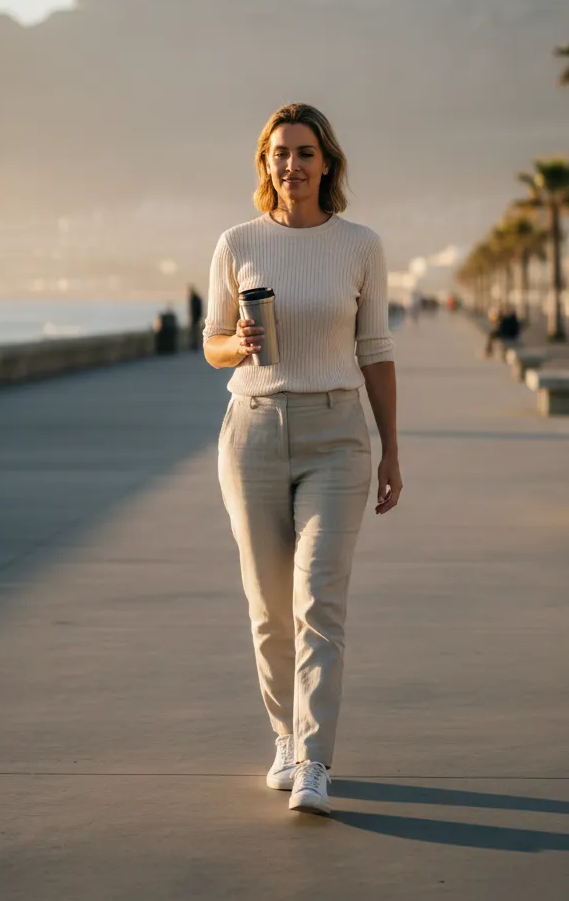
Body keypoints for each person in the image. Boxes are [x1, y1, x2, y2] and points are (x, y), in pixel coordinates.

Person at [203, 102, 402, 817]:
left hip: (337, 432)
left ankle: (316, 760)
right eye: (280, 152)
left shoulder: (360, 245)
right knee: (267, 607)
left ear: (328, 163)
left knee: (320, 600)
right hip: (252, 429)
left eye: (306, 152)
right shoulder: (237, 242)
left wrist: (391, 452)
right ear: (266, 163)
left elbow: (376, 351)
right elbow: (211, 342)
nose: (293, 164)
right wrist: (241, 347)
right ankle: (285, 740)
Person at [187, 284, 204, 349]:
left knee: (194, 332)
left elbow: (193, 309)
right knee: (194, 332)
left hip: (194, 318)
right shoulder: (196, 298)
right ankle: (194, 345)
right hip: (196, 318)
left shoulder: (194, 298)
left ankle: (194, 345)